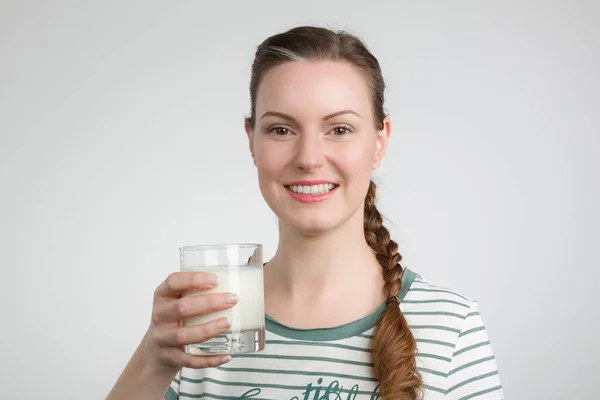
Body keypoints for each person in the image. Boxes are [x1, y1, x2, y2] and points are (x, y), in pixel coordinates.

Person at [108, 26, 505, 400]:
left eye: (339, 129)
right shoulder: (206, 322)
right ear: (252, 142)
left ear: (379, 141)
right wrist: (153, 360)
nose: (309, 159)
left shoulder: (451, 325)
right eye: (282, 130)